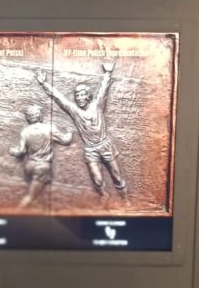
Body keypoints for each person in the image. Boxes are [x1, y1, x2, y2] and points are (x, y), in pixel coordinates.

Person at [35, 57, 126, 197]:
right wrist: (44, 84)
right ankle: (104, 198)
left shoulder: (97, 105)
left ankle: (125, 200)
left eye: (82, 94)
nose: (79, 98)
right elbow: (59, 98)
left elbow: (104, 89)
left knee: (117, 177)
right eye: (77, 95)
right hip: (90, 149)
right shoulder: (75, 111)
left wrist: (108, 73)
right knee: (97, 180)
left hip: (105, 145)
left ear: (88, 96)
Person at [9, 104, 73, 208]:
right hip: (42, 167)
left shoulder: (25, 131)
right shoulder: (49, 128)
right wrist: (70, 132)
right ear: (39, 116)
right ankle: (15, 213)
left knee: (40, 194)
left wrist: (13, 151)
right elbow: (66, 140)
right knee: (30, 197)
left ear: (28, 118)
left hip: (30, 165)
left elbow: (21, 151)